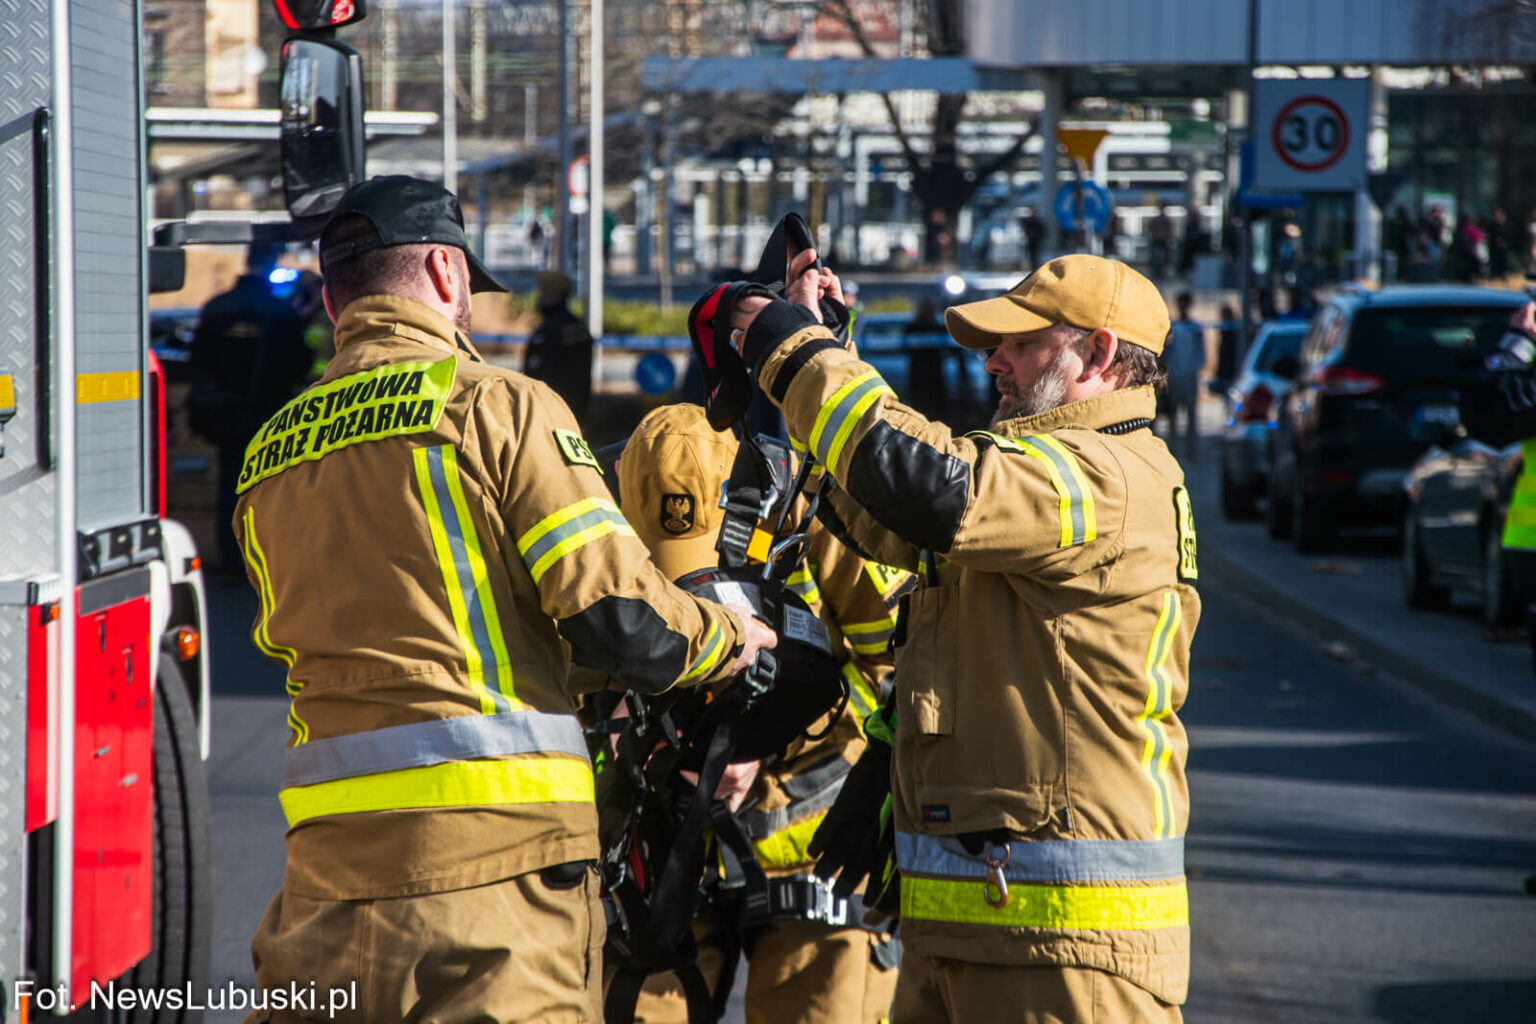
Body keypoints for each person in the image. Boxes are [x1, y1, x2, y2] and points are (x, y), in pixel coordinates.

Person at [232, 175, 775, 1024]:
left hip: (323, 889)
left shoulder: (271, 454)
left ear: (335, 299)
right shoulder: (497, 408)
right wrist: (729, 637)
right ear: (447, 273)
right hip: (495, 880)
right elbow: (619, 618)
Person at [725, 252, 1201, 1023]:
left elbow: (932, 486)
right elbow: (888, 502)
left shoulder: (1105, 474)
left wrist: (800, 354)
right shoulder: (1043, 477)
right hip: (978, 926)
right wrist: (831, 357)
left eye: (1020, 342)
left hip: (1068, 945)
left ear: (1101, 353)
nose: (994, 361)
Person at [611, 403, 906, 1024]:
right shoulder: (597, 533)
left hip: (814, 858)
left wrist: (759, 748)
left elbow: (900, 677)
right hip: (667, 856)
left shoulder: (825, 515)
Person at [187, 243, 312, 573]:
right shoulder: (281, 312)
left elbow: (197, 363)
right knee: (273, 491)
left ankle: (232, 563)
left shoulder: (216, 307)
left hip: (224, 416)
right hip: (271, 416)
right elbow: (298, 364)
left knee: (230, 488)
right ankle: (266, 567)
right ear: (272, 263)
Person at [524, 270, 596, 424]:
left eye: (543, 291)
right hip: (572, 412)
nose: (539, 296)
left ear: (553, 295)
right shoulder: (577, 327)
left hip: (548, 412)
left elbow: (536, 374)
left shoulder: (550, 330)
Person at [1162, 290, 1207, 455]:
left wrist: (1194, 370)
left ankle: (1192, 449)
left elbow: (1201, 355)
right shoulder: (1173, 327)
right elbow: (1166, 352)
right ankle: (1173, 449)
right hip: (1174, 377)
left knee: (1191, 415)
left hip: (1190, 378)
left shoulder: (1195, 329)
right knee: (1173, 414)